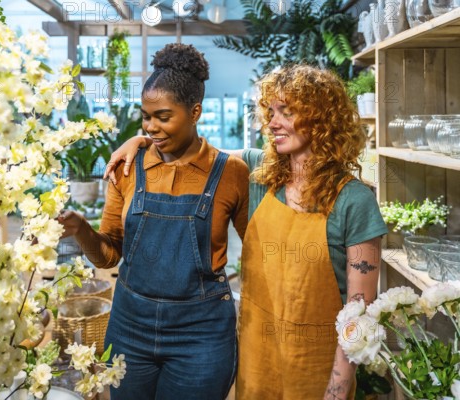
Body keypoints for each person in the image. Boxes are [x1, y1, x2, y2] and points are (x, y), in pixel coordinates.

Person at [104, 64, 388, 399]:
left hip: (317, 365)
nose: (273, 123)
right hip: (257, 357)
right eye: (270, 111)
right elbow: (191, 150)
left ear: (323, 118)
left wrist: (337, 390)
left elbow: (359, 310)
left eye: (287, 111)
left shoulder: (355, 201)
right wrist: (140, 140)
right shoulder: (258, 173)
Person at [59, 43, 249, 400]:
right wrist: (82, 231)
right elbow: (109, 256)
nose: (151, 126)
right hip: (131, 324)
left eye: (163, 116)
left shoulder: (230, 173)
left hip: (202, 331)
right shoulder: (128, 168)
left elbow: (255, 246)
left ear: (195, 112)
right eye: (146, 116)